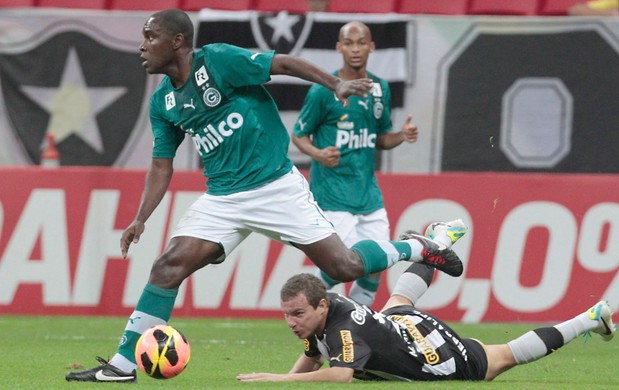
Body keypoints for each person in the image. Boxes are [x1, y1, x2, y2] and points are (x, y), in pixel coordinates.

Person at [65, 8, 464, 383]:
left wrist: (336, 83)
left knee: (343, 266)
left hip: (275, 187)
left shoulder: (219, 60)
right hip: (222, 199)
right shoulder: (163, 102)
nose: (142, 45)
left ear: (176, 41)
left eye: (149, 37)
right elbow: (160, 165)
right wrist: (141, 218)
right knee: (168, 266)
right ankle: (121, 366)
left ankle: (416, 247)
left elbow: (285, 64)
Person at [236, 254, 616, 382]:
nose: (291, 322)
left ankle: (591, 317)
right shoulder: (325, 308)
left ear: (320, 305)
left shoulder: (342, 327)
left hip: (435, 353)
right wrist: (290, 379)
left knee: (500, 359)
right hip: (399, 323)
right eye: (287, 315)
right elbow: (314, 352)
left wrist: (277, 379)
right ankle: (437, 244)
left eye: (297, 314)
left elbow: (340, 374)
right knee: (396, 302)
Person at [291, 21, 461, 307]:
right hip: (332, 196)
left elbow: (379, 139)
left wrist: (401, 136)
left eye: (361, 43)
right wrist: (318, 154)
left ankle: (357, 322)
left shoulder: (380, 88)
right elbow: (298, 134)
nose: (355, 49)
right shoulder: (324, 90)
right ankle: (305, 305)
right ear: (339, 48)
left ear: (371, 47)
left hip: (368, 195)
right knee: (341, 265)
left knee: (377, 263)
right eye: (349, 43)